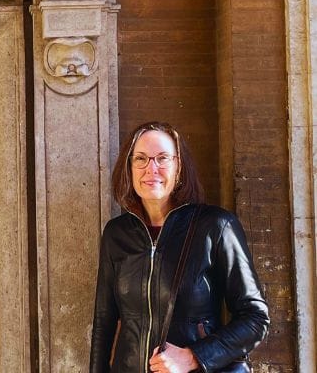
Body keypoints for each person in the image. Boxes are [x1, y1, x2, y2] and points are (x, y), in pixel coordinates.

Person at [90, 121, 269, 373]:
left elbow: (255, 318)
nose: (151, 168)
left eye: (162, 158)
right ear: (128, 168)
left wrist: (194, 356)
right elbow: (104, 321)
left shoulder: (216, 226)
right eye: (140, 158)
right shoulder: (116, 233)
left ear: (179, 167)